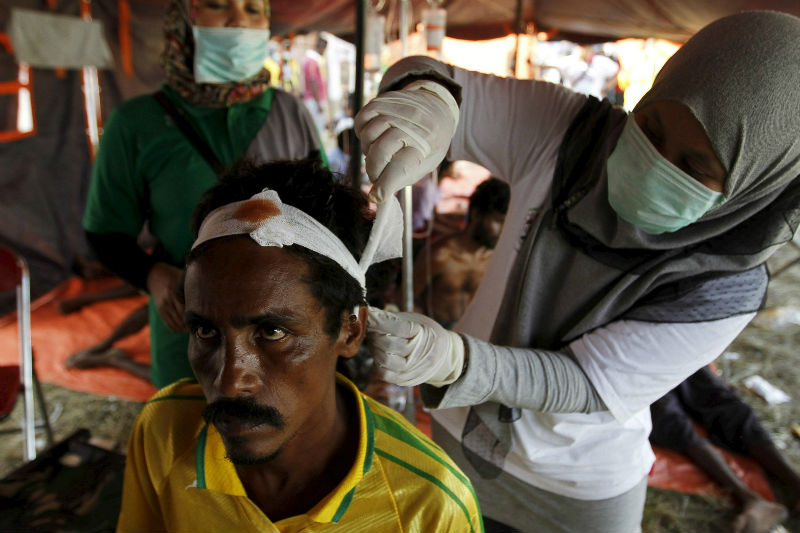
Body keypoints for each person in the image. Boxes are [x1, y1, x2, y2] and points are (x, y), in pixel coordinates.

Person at [354, 11, 800, 532]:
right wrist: (426, 103)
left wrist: (454, 360)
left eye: (695, 167)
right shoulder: (572, 135)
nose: (657, 162)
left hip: (580, 485)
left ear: (756, 183)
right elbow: (425, 75)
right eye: (651, 126)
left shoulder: (729, 282)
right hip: (463, 436)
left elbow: (585, 383)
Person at [116, 158, 482, 532]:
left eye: (273, 333)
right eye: (206, 332)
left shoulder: (428, 507)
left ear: (350, 330)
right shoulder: (163, 432)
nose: (229, 383)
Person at [82, 0, 324, 388]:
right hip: (191, 326)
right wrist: (151, 275)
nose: (238, 23)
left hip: (283, 327)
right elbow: (105, 233)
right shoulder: (137, 123)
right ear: (185, 19)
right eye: (217, 6)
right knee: (191, 437)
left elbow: (325, 215)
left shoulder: (289, 112)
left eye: (253, 10)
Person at [650, 366, 800, 533]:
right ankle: (749, 497)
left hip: (674, 353)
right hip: (642, 361)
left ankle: (792, 483)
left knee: (728, 406)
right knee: (669, 417)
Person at [413, 177, 510, 328]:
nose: (503, 231)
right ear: (477, 214)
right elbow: (406, 298)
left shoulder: (494, 259)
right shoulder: (441, 255)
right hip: (436, 331)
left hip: (471, 332)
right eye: (499, 221)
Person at [302, 35, 329, 134]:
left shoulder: (312, 60)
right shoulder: (311, 61)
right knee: (317, 129)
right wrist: (318, 102)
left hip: (314, 100)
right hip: (313, 100)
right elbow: (312, 82)